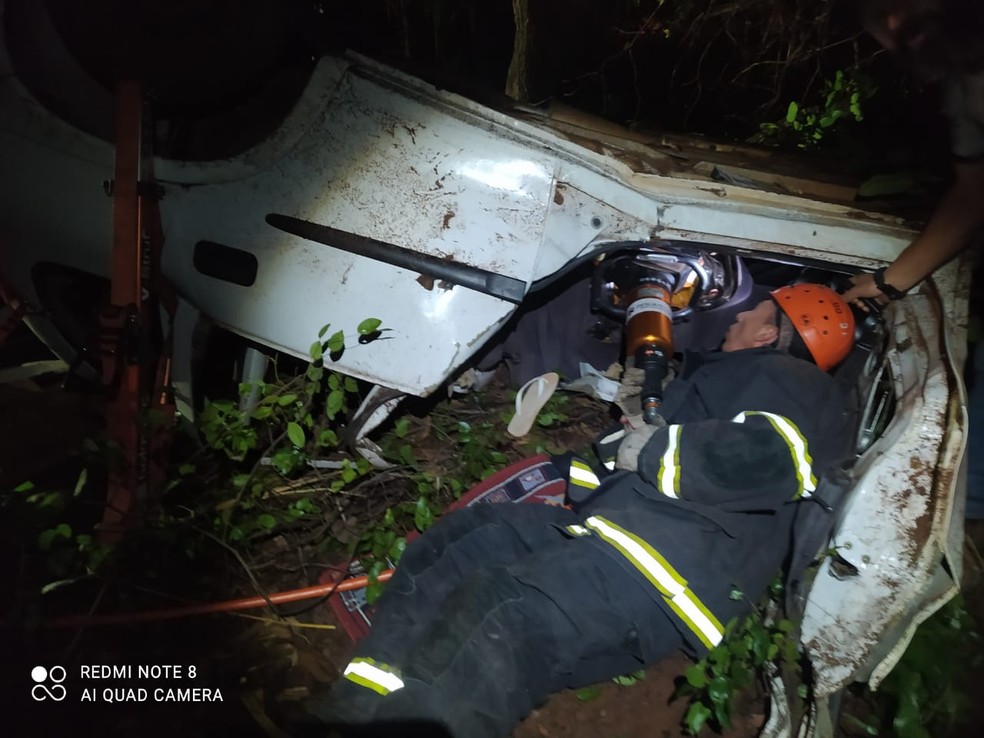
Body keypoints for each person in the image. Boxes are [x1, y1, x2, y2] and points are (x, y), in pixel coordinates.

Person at [302, 283, 857, 738]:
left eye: (752, 312)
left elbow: (769, 459)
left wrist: (655, 448)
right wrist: (599, 452)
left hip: (667, 565)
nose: (736, 319)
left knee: (507, 612)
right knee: (464, 543)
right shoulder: (729, 381)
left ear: (771, 331)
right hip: (616, 533)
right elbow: (621, 468)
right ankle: (354, 711)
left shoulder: (793, 382)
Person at [844, 0, 984, 518]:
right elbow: (973, 193)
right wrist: (887, 283)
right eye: (883, 18)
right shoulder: (962, 83)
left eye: (903, 6)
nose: (899, 24)